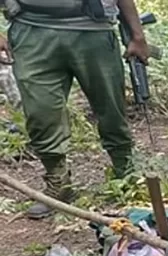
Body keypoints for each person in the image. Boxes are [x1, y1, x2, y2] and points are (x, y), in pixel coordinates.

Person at [0, 0, 150, 219]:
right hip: (31, 30)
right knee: (40, 112)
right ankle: (58, 182)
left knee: (111, 108)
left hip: (92, 29)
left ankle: (126, 173)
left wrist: (138, 36)